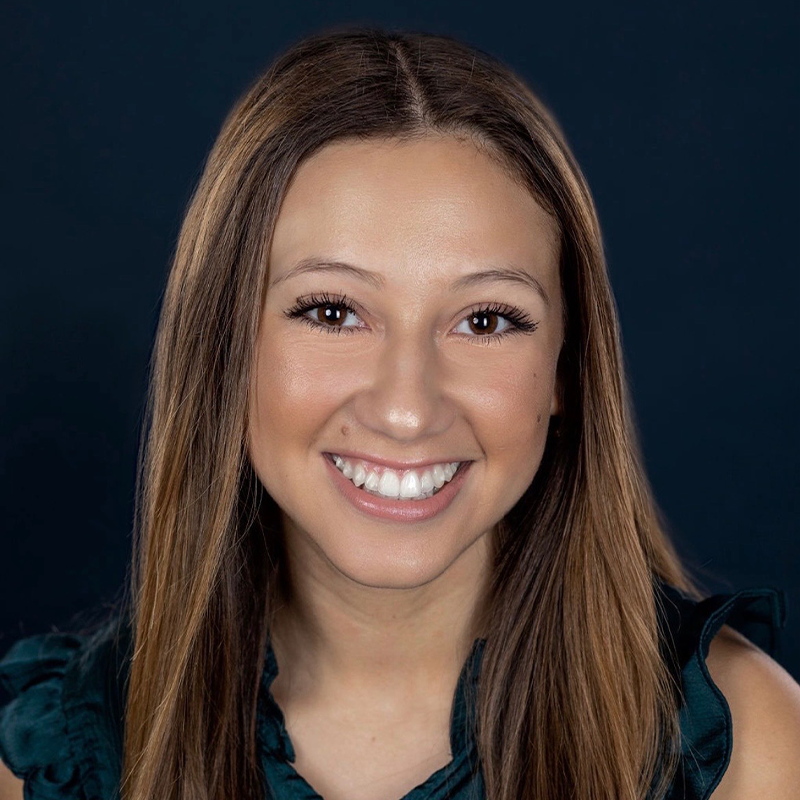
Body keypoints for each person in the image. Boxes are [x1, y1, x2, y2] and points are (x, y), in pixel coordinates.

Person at [0, 25, 798, 800]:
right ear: (224, 350)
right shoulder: (55, 761)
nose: (407, 409)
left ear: (567, 371)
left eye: (485, 320)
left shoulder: (748, 750)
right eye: (332, 312)